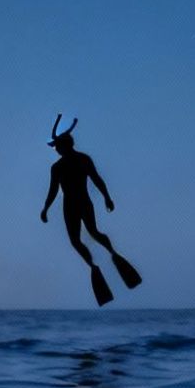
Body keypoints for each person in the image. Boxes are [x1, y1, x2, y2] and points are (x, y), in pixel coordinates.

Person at [41, 115, 141, 305]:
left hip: (75, 203)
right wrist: (46, 208)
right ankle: (100, 262)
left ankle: (102, 260)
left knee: (83, 237)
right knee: (83, 237)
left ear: (65, 146)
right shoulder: (68, 164)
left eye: (58, 147)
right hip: (77, 203)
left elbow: (95, 179)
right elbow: (54, 190)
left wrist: (107, 197)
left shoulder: (68, 164)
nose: (57, 150)